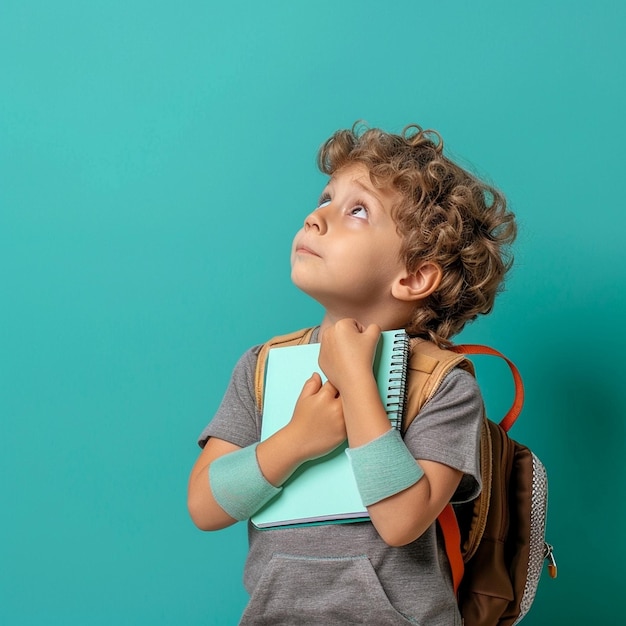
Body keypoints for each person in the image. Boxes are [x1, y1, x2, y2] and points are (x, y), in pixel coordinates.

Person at [187, 123, 517, 625]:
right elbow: (205, 505)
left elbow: (401, 520)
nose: (314, 218)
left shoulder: (445, 384)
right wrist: (297, 439)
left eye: (356, 210)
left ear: (414, 276)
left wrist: (357, 380)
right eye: (325, 199)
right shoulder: (262, 366)